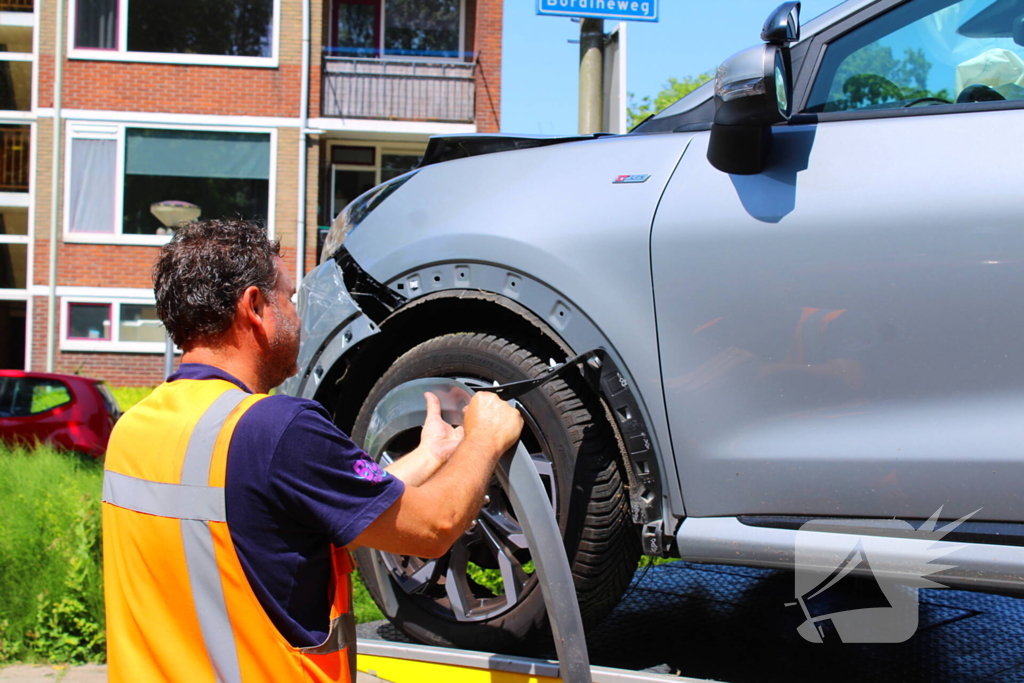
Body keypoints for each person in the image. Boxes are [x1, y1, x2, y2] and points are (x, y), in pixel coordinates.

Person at [101, 219, 523, 683]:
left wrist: (430, 455)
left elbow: (291, 513)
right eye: (288, 298)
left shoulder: (132, 431)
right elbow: (433, 527)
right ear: (255, 307)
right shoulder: (276, 429)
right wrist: (484, 438)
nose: (297, 317)